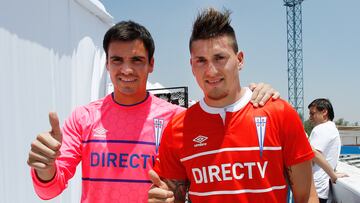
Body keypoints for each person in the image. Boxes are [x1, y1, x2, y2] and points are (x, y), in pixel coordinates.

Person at [27, 21, 279, 202]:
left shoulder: (177, 119)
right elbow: (48, 190)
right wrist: (45, 168)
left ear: (151, 65)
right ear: (107, 64)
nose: (126, 69)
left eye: (136, 60)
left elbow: (205, 185)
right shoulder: (83, 117)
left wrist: (256, 94)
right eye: (117, 60)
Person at [148, 8, 317, 203]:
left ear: (239, 60)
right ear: (191, 65)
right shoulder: (178, 128)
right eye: (201, 61)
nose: (210, 71)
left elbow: (307, 197)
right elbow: (171, 195)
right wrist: (161, 199)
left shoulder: (280, 113)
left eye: (220, 58)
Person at [308, 98, 347, 203]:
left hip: (314, 189)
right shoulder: (331, 128)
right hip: (320, 189)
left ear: (324, 112)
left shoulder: (321, 129)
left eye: (312, 113)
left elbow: (313, 155)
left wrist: (333, 175)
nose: (310, 117)